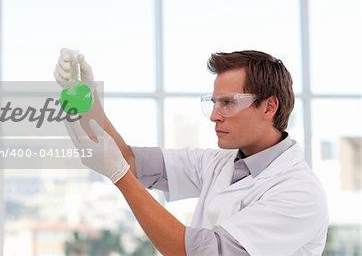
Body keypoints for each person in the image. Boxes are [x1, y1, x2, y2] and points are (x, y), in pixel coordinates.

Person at [54, 49, 329, 256]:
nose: (214, 116)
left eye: (227, 103)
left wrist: (120, 177)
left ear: (269, 107)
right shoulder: (217, 162)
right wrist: (84, 98)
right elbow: (128, 159)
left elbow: (197, 252)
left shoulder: (299, 193)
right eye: (214, 103)